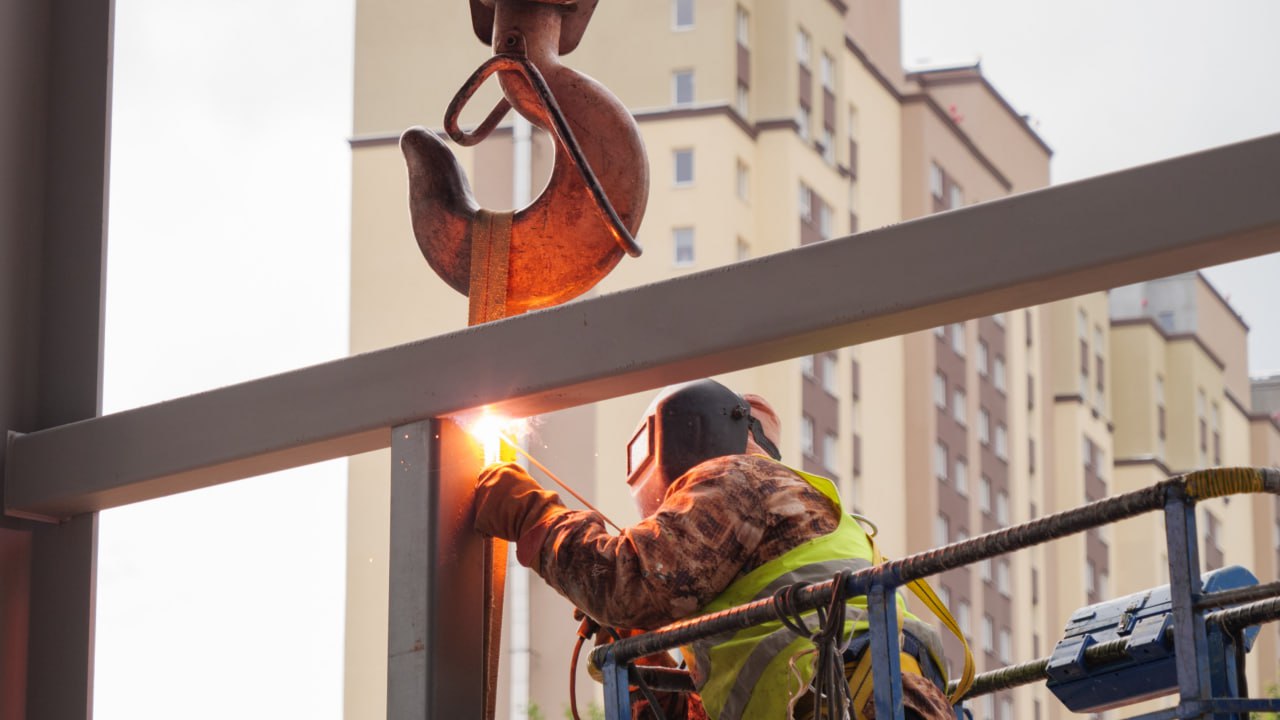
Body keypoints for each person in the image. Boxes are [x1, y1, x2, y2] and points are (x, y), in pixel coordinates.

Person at [474, 379, 957, 719]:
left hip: (850, 703)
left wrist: (532, 516)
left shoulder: (739, 477)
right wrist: (642, 647)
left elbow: (624, 582)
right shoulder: (755, 577)